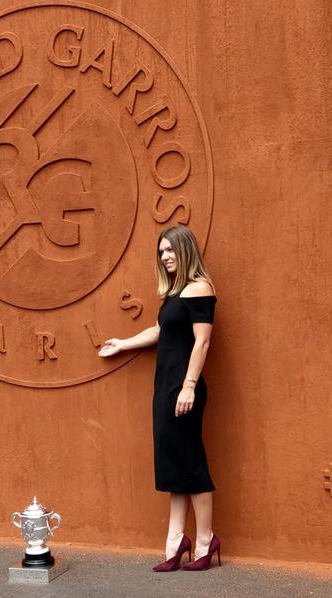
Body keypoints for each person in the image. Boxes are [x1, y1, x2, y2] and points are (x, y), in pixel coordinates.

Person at [98, 225, 221, 572]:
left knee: (191, 463)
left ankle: (204, 541)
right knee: (173, 464)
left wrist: (189, 386)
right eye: (161, 251)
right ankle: (175, 543)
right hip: (165, 387)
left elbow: (202, 342)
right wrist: (123, 343)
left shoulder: (200, 289)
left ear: (185, 251)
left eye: (170, 250)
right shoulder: (175, 294)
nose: (165, 256)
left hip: (184, 388)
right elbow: (159, 330)